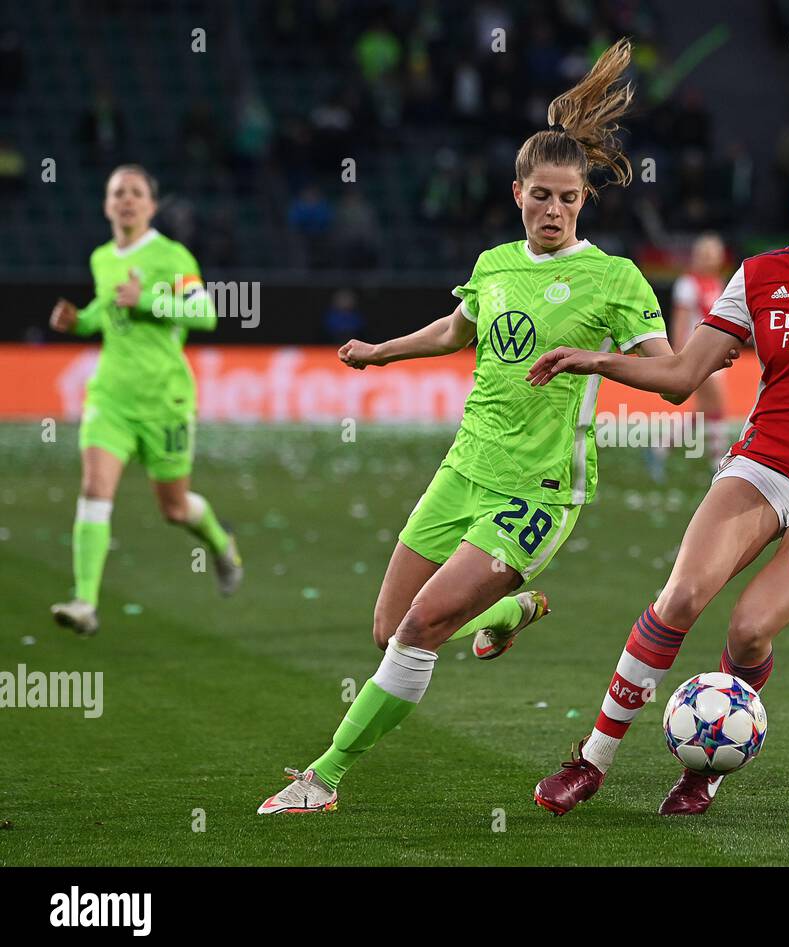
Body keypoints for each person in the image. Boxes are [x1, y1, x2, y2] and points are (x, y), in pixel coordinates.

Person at [256, 39, 725, 814]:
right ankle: (512, 610)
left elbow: (675, 377)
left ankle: (324, 777)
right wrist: (382, 352)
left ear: (584, 201)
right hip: (465, 468)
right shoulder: (495, 263)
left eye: (567, 198)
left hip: (539, 487)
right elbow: (455, 331)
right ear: (517, 193)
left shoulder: (614, 280)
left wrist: (593, 363)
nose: (552, 210)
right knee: (389, 631)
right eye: (540, 195)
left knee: (419, 626)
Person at [528, 123, 789, 816]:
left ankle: (708, 767)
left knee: (749, 631)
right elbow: (680, 374)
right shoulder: (758, 277)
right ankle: (591, 761)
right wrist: (598, 359)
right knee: (679, 597)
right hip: (760, 467)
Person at [48, 165, 241, 636]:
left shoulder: (172, 256)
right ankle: (84, 602)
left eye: (135, 192)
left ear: (151, 206)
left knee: (174, 509)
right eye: (118, 192)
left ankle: (220, 543)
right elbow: (108, 312)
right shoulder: (101, 258)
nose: (126, 200)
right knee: (95, 491)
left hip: (165, 400)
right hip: (111, 396)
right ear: (107, 204)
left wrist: (148, 301)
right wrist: (82, 321)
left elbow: (205, 313)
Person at [670, 232, 730, 460]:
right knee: (717, 403)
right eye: (705, 254)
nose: (709, 259)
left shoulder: (716, 283)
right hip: (697, 351)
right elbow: (681, 321)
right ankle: (719, 458)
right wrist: (678, 354)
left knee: (706, 408)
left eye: (713, 255)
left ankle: (662, 445)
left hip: (714, 351)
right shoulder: (687, 283)